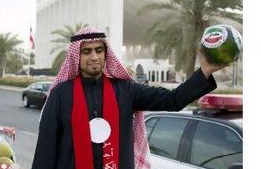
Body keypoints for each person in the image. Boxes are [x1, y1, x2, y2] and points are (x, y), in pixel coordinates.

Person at [31, 27, 226, 169]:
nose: (94, 57)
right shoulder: (60, 94)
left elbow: (172, 100)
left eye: (99, 50)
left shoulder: (126, 90)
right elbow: (45, 152)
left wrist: (205, 71)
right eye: (86, 51)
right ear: (76, 56)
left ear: (106, 54)